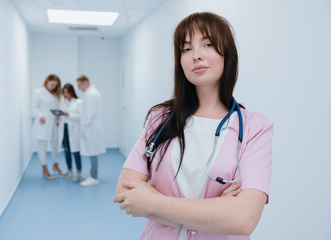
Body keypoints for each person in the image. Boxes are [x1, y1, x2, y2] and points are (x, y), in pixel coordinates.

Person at [113, 12, 273, 240]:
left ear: (227, 53)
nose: (196, 56)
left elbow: (244, 220)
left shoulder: (255, 128)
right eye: (186, 49)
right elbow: (124, 192)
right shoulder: (160, 117)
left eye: (207, 44)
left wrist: (152, 203)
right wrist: (218, 210)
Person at [32, 74, 65, 179]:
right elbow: (34, 107)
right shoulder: (39, 92)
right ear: (47, 81)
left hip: (54, 123)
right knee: (42, 146)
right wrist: (40, 115)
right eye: (52, 84)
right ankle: (44, 168)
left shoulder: (55, 94)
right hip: (43, 123)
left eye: (56, 86)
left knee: (55, 144)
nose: (54, 87)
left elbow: (57, 106)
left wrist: (58, 114)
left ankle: (56, 165)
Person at [77, 75, 106, 186]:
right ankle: (92, 173)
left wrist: (84, 124)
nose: (79, 88)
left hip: (91, 128)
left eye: (80, 85)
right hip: (90, 127)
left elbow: (90, 113)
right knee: (91, 152)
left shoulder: (91, 94)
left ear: (85, 82)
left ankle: (94, 177)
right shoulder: (91, 93)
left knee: (93, 152)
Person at [59, 83, 83, 182]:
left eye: (67, 92)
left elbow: (80, 116)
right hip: (64, 128)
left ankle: (79, 173)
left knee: (76, 152)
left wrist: (69, 115)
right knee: (66, 151)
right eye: (64, 93)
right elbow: (62, 113)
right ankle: (69, 171)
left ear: (71, 92)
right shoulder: (63, 102)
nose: (65, 95)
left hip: (73, 129)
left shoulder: (78, 102)